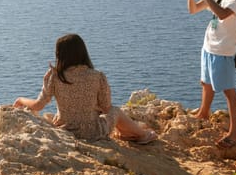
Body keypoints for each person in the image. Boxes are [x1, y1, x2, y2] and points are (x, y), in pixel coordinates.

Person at [13, 33, 157, 144]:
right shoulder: (97, 76)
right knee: (116, 111)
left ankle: (130, 133)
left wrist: (20, 100)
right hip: (93, 132)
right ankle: (142, 135)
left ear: (60, 54)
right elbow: (106, 108)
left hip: (65, 129)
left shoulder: (55, 76)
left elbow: (38, 105)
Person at [186, 0, 236, 148]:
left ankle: (233, 132)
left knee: (229, 91)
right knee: (206, 83)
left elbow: (222, 15)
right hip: (209, 46)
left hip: (224, 49)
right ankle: (204, 113)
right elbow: (194, 10)